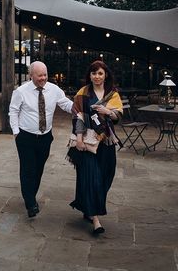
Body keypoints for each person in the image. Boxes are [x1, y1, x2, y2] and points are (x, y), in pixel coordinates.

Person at [9, 61, 73, 218]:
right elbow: (13, 111)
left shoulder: (54, 89)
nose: (43, 78)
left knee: (39, 168)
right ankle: (30, 202)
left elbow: (65, 103)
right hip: (26, 137)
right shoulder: (21, 91)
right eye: (39, 75)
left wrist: (79, 108)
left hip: (45, 137)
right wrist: (16, 132)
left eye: (45, 74)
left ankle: (31, 194)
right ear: (31, 76)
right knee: (28, 169)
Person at [67, 60, 123, 235]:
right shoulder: (83, 94)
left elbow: (118, 117)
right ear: (89, 76)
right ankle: (95, 218)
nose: (97, 76)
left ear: (105, 75)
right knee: (92, 178)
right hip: (88, 143)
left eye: (100, 73)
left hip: (106, 141)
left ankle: (88, 206)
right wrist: (79, 139)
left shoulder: (112, 94)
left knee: (107, 174)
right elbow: (77, 117)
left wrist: (108, 112)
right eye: (93, 73)